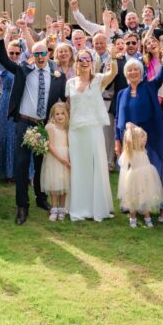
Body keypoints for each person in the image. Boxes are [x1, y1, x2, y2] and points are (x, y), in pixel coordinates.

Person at [0, 32, 68, 224]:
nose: (41, 57)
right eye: (36, 54)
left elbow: (65, 100)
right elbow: (3, 58)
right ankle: (22, 206)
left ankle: (41, 198)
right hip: (25, 123)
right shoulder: (23, 70)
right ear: (31, 56)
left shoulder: (58, 76)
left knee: (40, 165)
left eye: (43, 53)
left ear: (48, 54)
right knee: (21, 164)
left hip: (44, 126)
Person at [115, 58, 163, 222]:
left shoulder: (149, 87)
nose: (133, 72)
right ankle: (134, 206)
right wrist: (117, 140)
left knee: (155, 171)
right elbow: (118, 118)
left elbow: (161, 75)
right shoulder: (121, 93)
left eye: (136, 69)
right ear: (126, 73)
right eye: (130, 70)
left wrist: (162, 57)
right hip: (128, 143)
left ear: (142, 73)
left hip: (150, 139)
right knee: (132, 175)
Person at [66, 49, 117, 222]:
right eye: (82, 59)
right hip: (75, 130)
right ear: (77, 62)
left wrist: (115, 56)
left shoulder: (99, 80)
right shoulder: (70, 82)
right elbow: (68, 106)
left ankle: (97, 206)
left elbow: (114, 72)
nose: (85, 61)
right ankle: (79, 206)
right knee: (79, 167)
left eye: (88, 58)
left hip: (94, 129)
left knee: (96, 167)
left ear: (92, 62)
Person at [117, 123, 163, 229]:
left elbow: (145, 133)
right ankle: (132, 218)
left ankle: (147, 218)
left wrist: (132, 126)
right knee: (133, 199)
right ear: (135, 140)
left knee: (144, 198)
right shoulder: (130, 151)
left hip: (145, 177)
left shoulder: (143, 149)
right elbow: (128, 140)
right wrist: (130, 130)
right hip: (134, 179)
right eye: (142, 137)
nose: (145, 139)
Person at [0, 38, 23, 182]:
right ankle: (4, 171)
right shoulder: (3, 66)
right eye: (11, 53)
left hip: (19, 104)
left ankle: (16, 172)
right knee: (4, 135)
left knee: (15, 136)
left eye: (17, 53)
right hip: (5, 102)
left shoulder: (23, 66)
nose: (14, 56)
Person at [41, 102, 71, 222]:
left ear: (66, 115)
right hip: (55, 158)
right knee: (54, 185)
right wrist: (61, 159)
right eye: (57, 114)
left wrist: (68, 159)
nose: (60, 116)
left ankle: (62, 209)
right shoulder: (50, 127)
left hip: (66, 157)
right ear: (52, 116)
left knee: (64, 185)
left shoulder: (67, 128)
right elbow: (51, 146)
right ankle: (54, 209)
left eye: (62, 113)